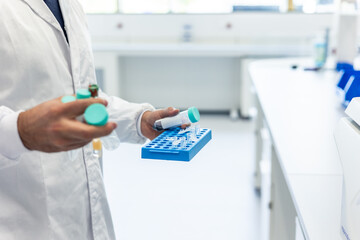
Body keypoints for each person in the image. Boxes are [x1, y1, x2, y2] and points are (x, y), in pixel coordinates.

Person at [0, 0, 181, 239]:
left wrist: (138, 119)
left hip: (86, 212)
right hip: (21, 220)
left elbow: (83, 95)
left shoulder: (70, 5)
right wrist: (19, 131)